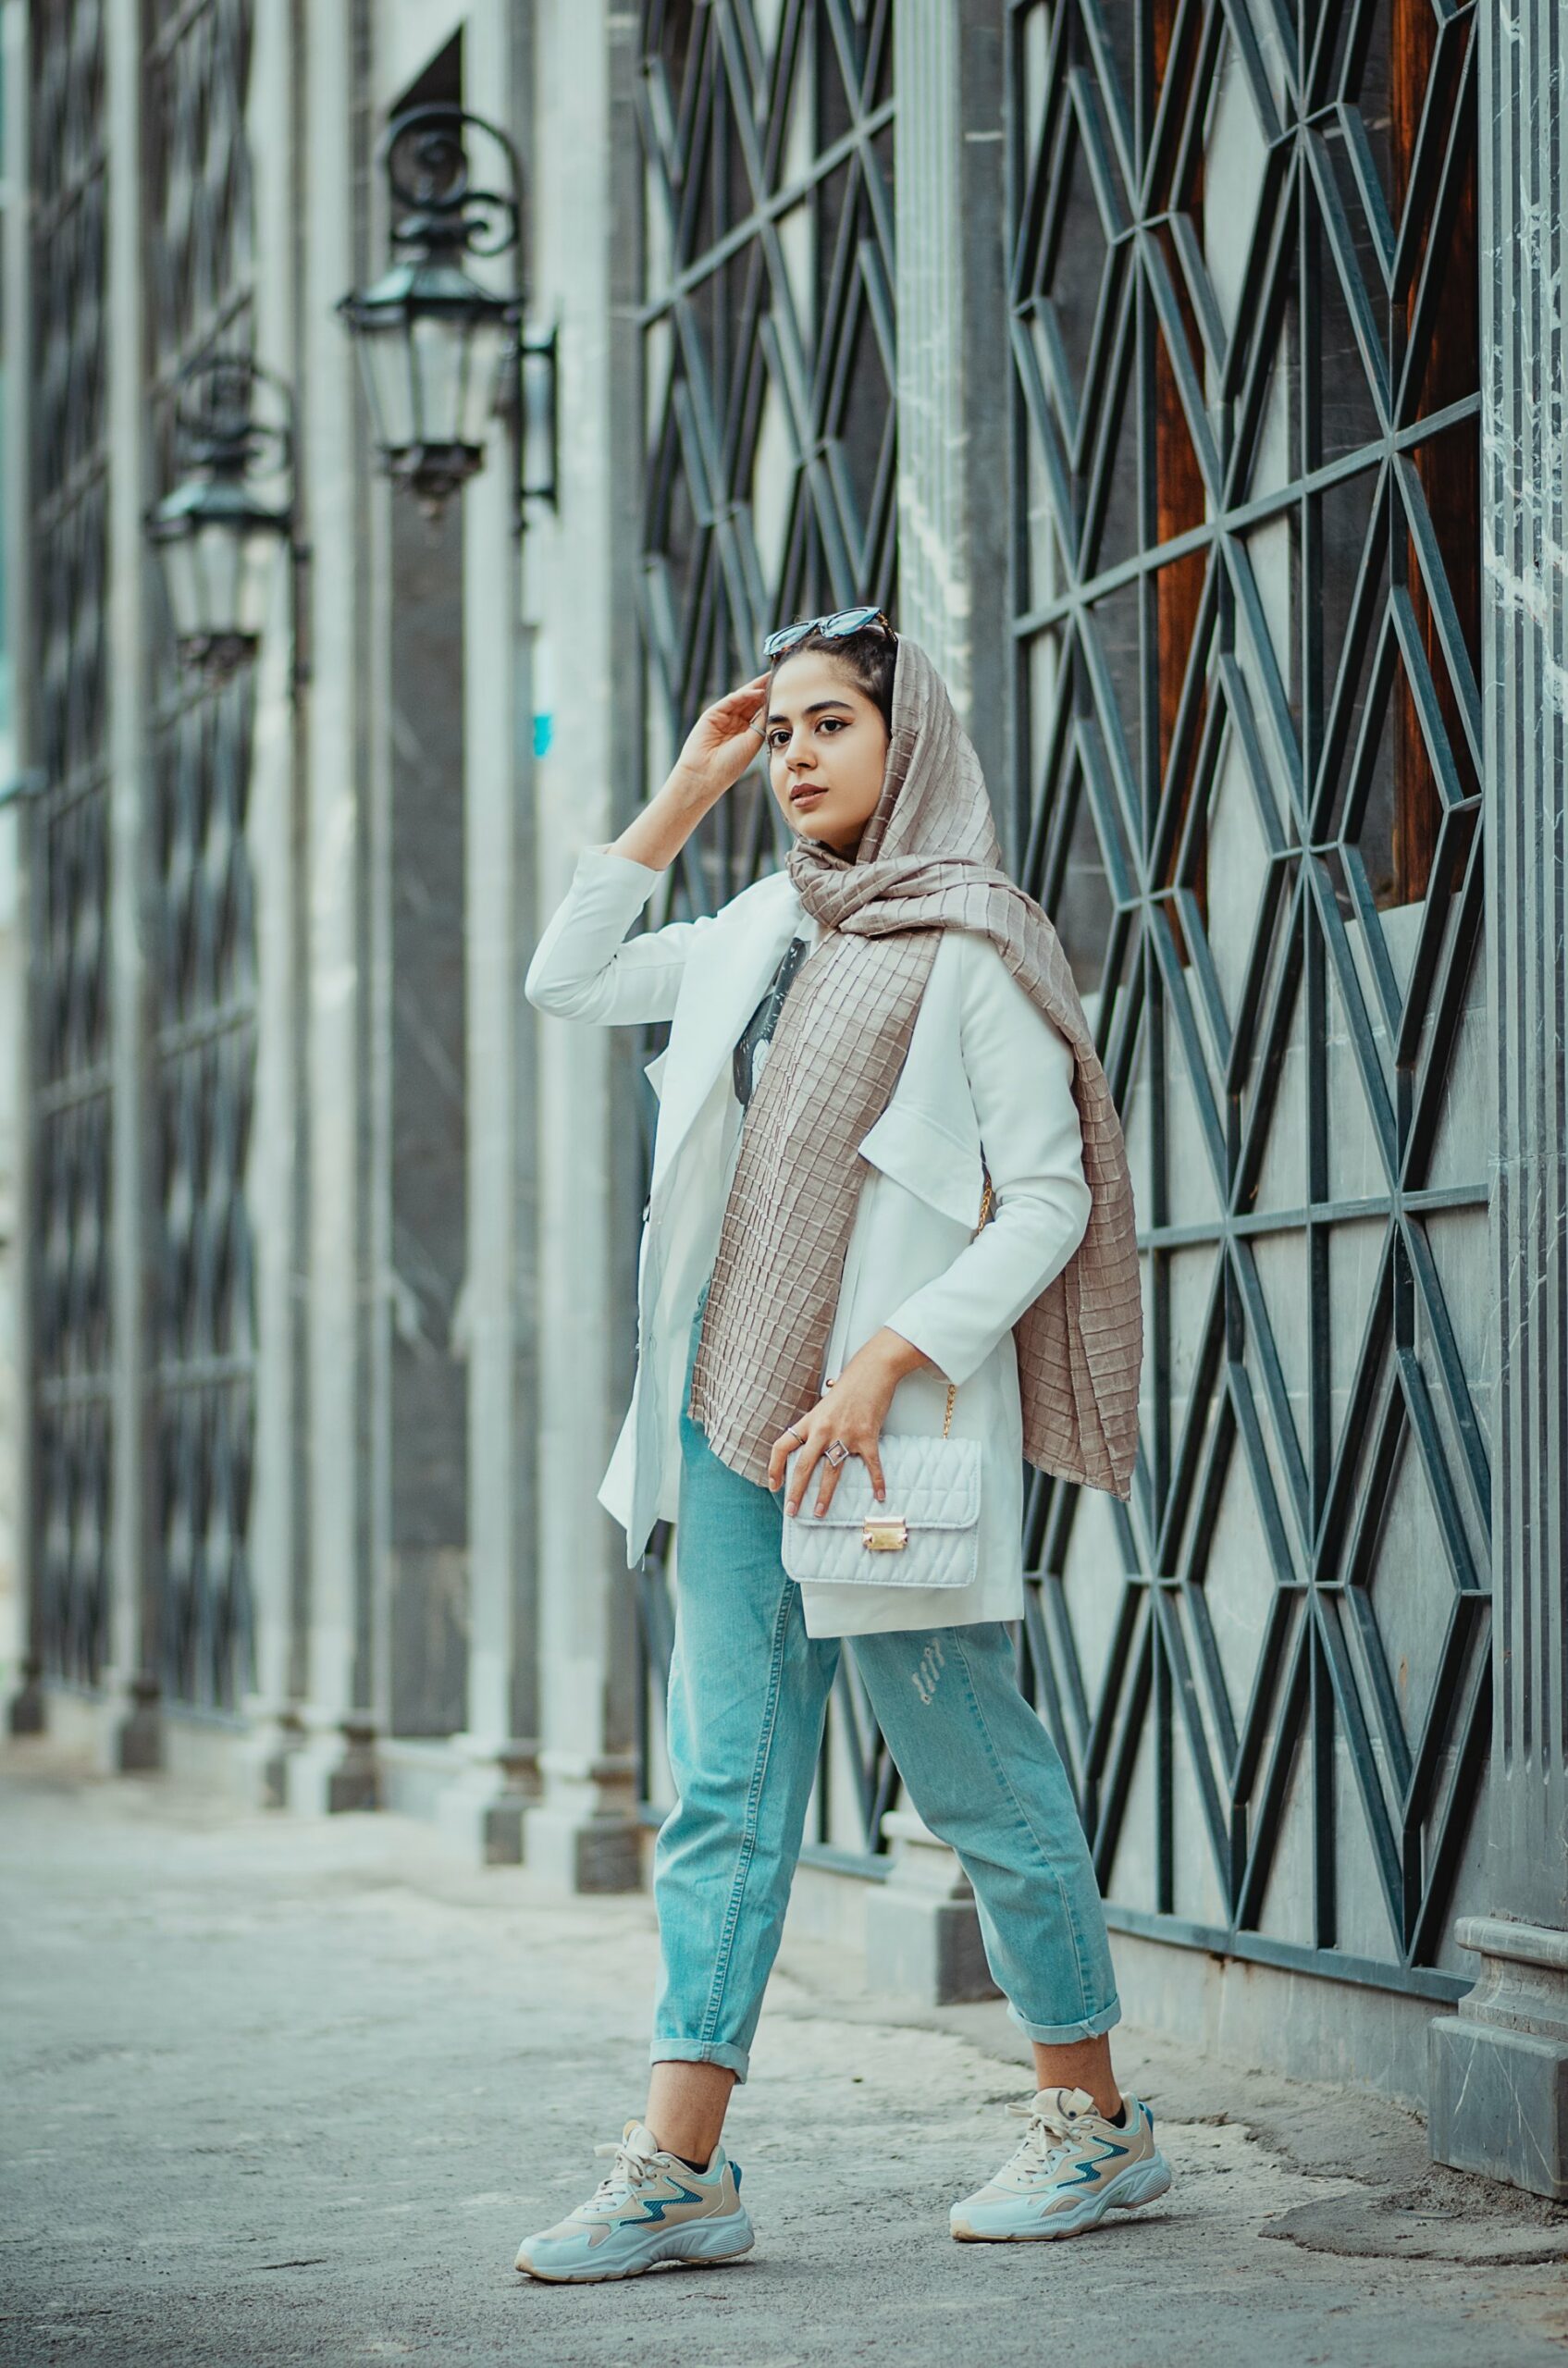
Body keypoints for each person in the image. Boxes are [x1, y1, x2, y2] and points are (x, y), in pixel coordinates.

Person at [514, 610, 1171, 2284]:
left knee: (971, 1776)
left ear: (912, 744)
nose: (798, 754)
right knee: (724, 1791)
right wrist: (682, 788)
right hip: (730, 1429)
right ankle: (681, 2171)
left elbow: (1050, 1198)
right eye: (781, 730)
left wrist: (891, 1359)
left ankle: (1093, 2121)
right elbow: (567, 978)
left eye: (832, 725)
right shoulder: (748, 926)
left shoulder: (972, 943)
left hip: (877, 1437)